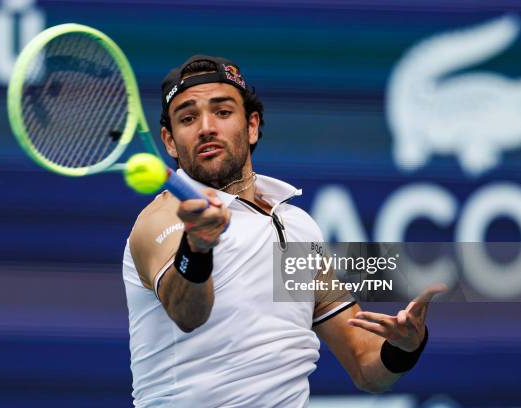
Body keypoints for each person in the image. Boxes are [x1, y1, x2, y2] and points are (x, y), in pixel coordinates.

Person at [122, 55, 445, 407]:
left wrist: (406, 346)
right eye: (188, 118)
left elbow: (364, 364)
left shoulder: (295, 227)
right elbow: (187, 314)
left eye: (223, 112)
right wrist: (197, 247)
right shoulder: (162, 219)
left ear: (252, 126)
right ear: (169, 141)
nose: (206, 127)